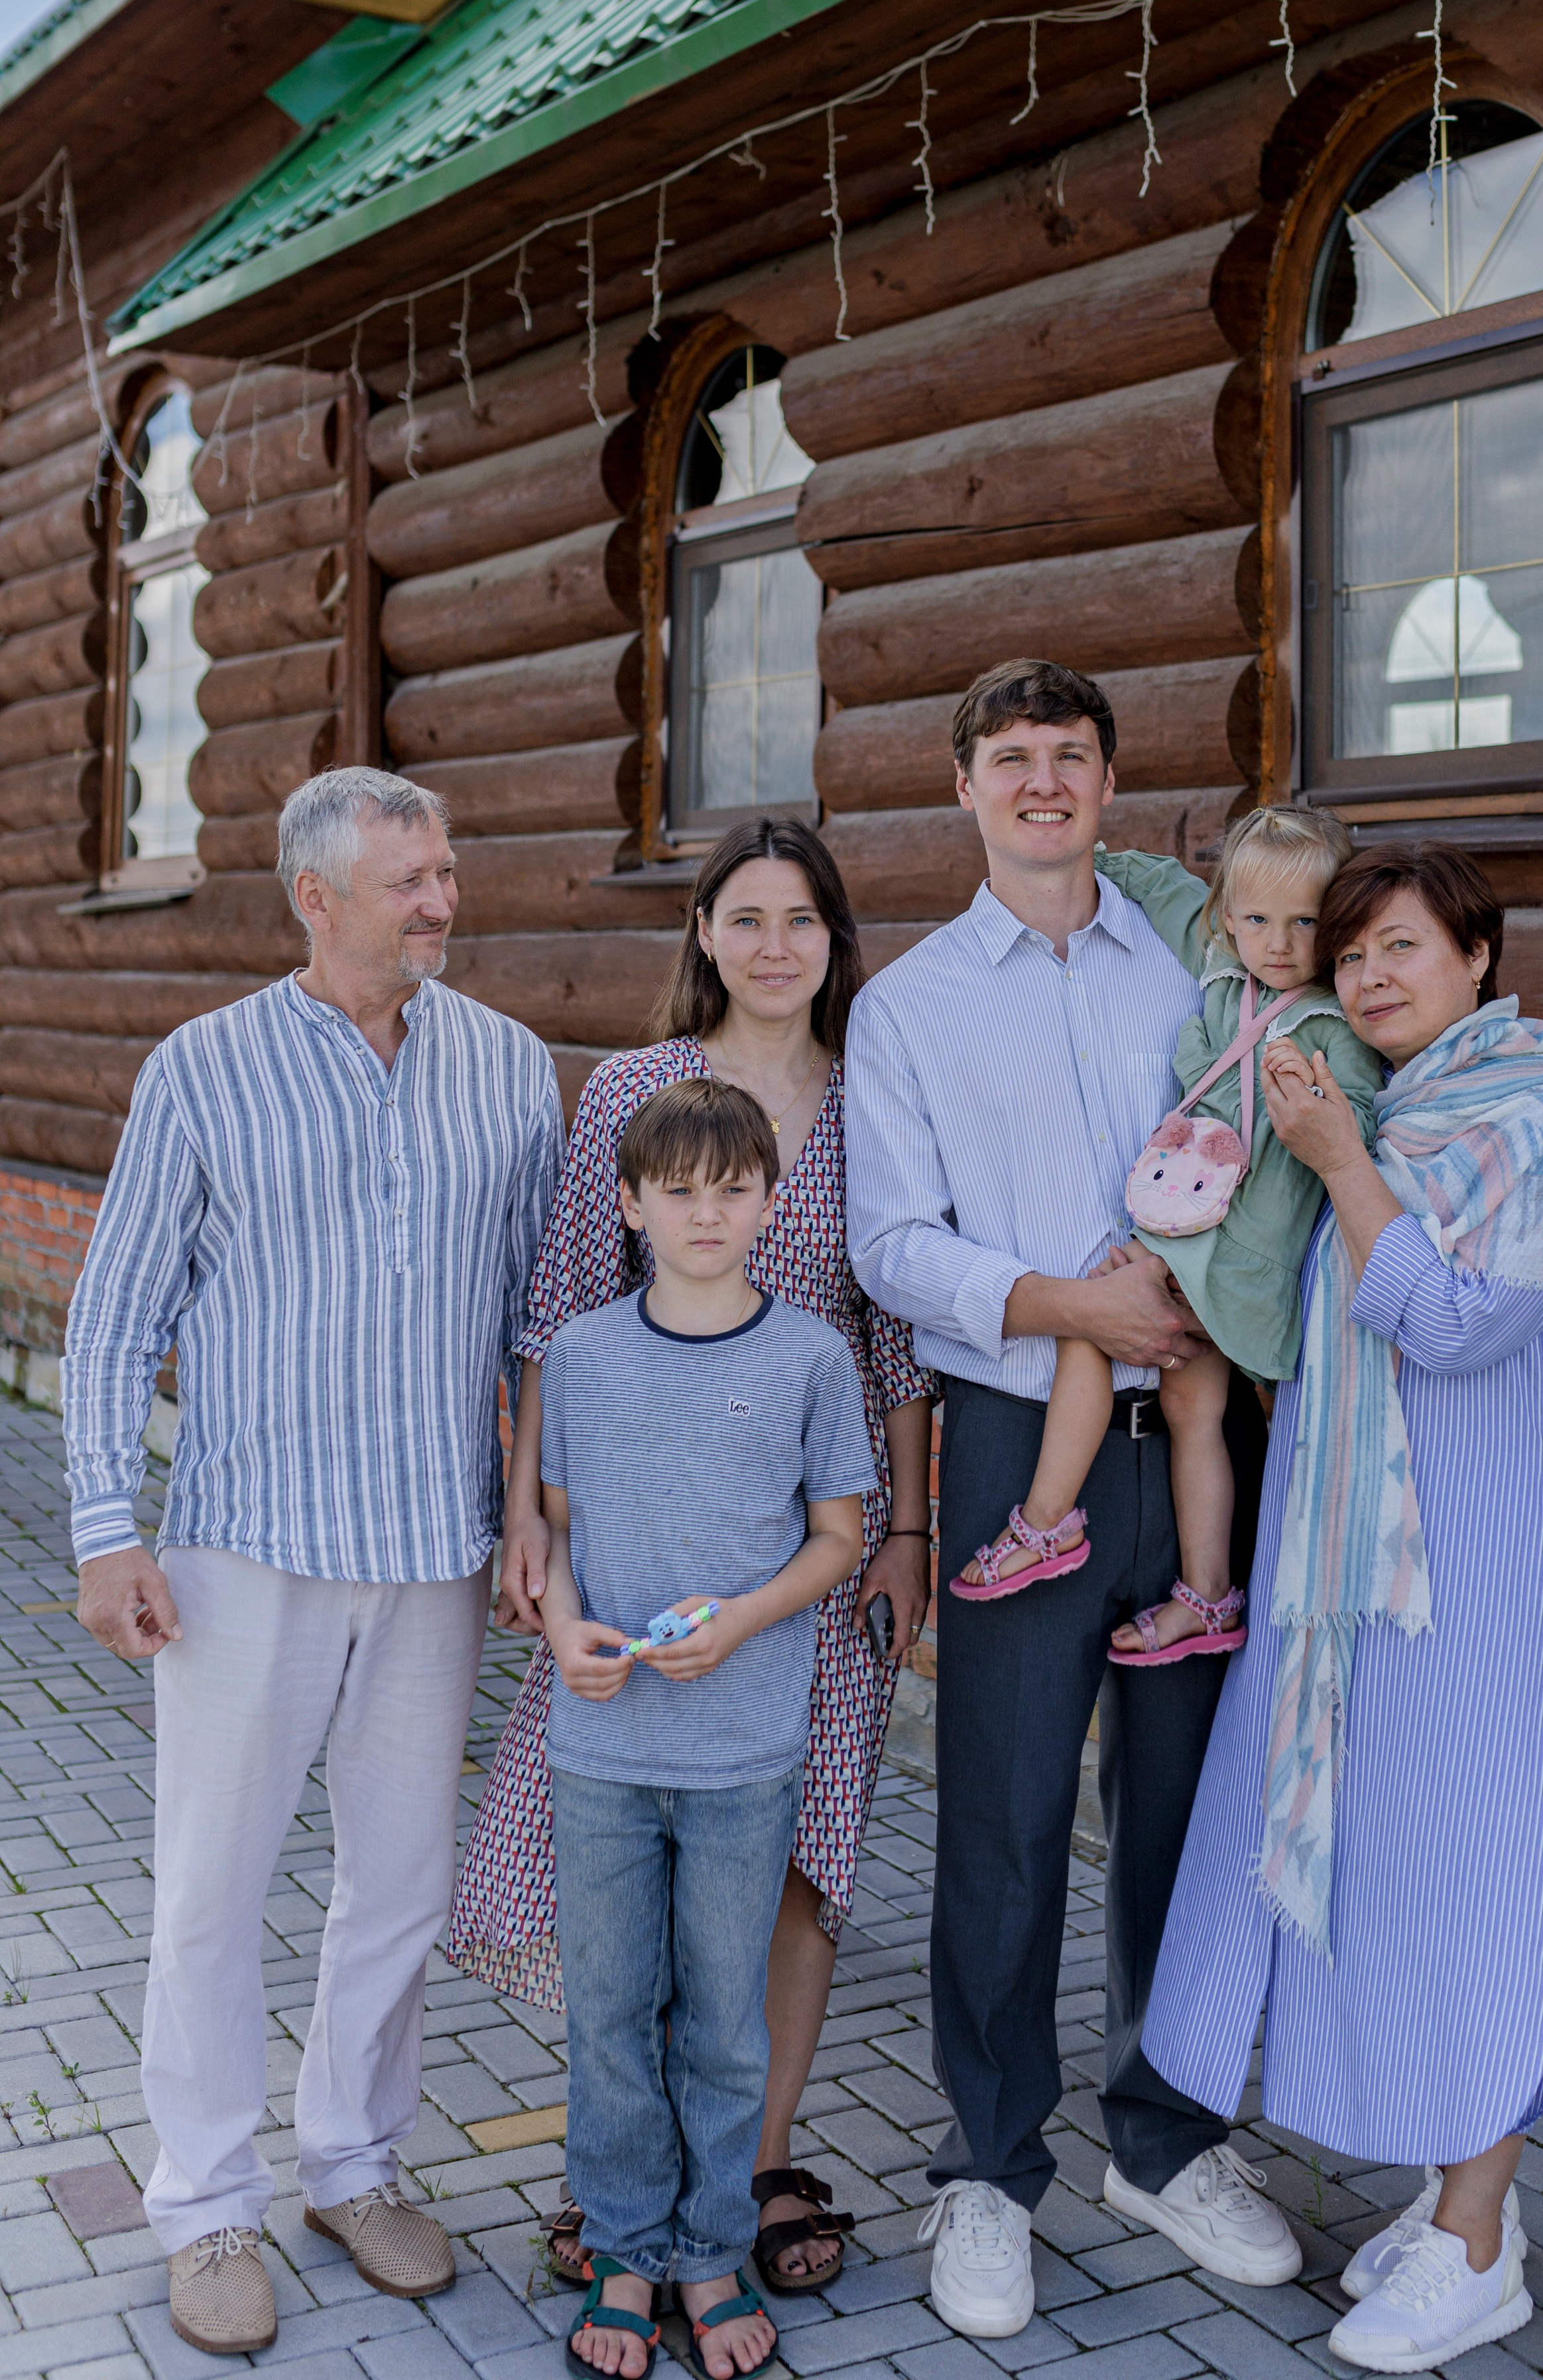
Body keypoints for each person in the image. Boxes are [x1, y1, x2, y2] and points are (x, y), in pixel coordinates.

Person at [61, 769, 564, 2356]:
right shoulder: (202, 1069)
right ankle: (207, 2204)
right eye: (409, 880)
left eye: (446, 871)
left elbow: (535, 1322)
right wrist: (104, 1530)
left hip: (432, 1548)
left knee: (398, 1886)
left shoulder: (508, 1065)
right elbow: (114, 1316)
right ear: (316, 897)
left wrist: (532, 1515)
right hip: (243, 1549)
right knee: (212, 1890)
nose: (441, 901)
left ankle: (352, 2164)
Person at [1142, 842, 1543, 2375]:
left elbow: (1444, 1324)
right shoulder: (1395, 1106)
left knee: (1486, 1877)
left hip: (1490, 1568)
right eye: (1349, 952)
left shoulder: (1540, 1119)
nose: (1366, 977)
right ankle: (1450, 2196)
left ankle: (1478, 2242)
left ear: (1478, 957)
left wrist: (1336, 1168)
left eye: (1401, 948)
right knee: (1407, 1872)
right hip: (1376, 1569)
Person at [845, 659, 1300, 2343]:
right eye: (1012, 757)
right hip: (1013, 1439)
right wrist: (1070, 1306)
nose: (1042, 781)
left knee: (1179, 1815)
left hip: (1196, 1443)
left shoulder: (1192, 961)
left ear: (1108, 784)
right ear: (962, 786)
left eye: (1071, 756)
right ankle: (986, 2165)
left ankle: (1165, 2142)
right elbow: (892, 1246)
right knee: (1004, 1819)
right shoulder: (908, 1006)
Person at [448, 815, 934, 2296]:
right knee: (632, 1867)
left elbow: (896, 1339)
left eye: (803, 919)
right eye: (747, 917)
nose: (776, 946)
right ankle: (626, 2178)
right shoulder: (635, 1091)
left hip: (815, 1550)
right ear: (705, 934)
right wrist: (528, 1517)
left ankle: (751, 2166)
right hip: (646, 1534)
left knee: (792, 1867)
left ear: (834, 940)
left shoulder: (874, 1095)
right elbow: (557, 1316)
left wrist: (908, 1531)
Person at [538, 1078, 872, 2380]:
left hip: (742, 1752)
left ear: (771, 1202)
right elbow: (557, 1534)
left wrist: (738, 1622)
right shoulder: (581, 1356)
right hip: (604, 1754)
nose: (705, 1214)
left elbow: (836, 1538)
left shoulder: (810, 1358)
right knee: (613, 2014)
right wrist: (563, 1627)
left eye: (733, 1188)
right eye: (676, 1191)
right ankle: (626, 2249)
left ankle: (711, 2249)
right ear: (629, 1204)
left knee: (725, 2023)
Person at [952, 806, 1381, 1665]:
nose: (1279, 943)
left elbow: (1360, 1119)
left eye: (1306, 923)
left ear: (1337, 922)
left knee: (1090, 1325)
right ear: (1229, 916)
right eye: (1258, 919)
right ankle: (1209, 1595)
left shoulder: (1335, 1030)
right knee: (1195, 1412)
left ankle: (1046, 1522)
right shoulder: (1222, 963)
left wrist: (1317, 1101)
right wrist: (1085, 858)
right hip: (1195, 1236)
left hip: (1230, 1257)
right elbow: (1163, 885)